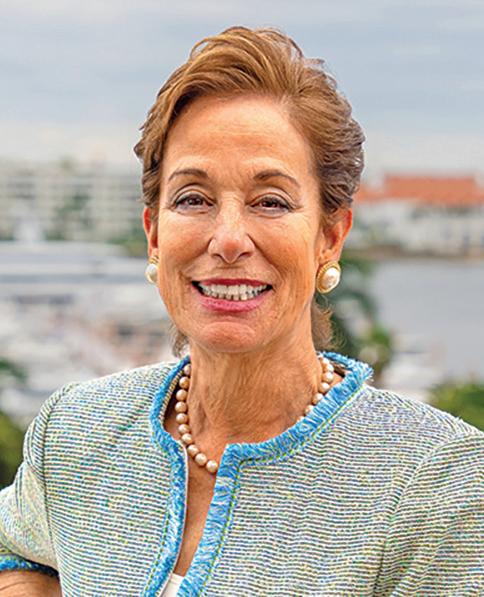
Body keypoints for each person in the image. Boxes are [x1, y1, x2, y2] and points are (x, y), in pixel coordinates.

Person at [0, 25, 482, 597]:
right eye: (193, 198)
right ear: (154, 234)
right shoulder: (76, 430)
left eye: (270, 202)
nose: (228, 239)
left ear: (329, 237)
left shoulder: (436, 481)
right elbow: (16, 550)